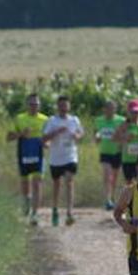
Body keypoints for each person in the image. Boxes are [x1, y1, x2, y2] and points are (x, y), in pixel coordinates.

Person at [42, 95, 84, 227]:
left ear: (69, 106)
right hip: (56, 158)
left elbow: (80, 134)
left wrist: (75, 136)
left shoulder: (74, 120)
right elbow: (44, 139)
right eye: (61, 106)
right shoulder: (52, 121)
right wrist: (56, 132)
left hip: (70, 156)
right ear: (57, 107)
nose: (63, 108)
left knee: (69, 180)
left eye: (66, 105)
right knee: (57, 185)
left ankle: (69, 212)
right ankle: (55, 210)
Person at [7, 94, 48, 225]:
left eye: (36, 104)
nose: (33, 107)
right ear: (27, 105)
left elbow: (50, 137)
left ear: (39, 106)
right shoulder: (20, 118)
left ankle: (35, 214)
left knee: (37, 182)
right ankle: (26, 204)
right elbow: (8, 137)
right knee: (25, 184)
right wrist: (21, 134)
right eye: (31, 104)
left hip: (39, 154)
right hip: (24, 152)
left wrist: (47, 143)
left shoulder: (45, 119)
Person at [92, 99, 125, 210]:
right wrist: (96, 137)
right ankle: (107, 200)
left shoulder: (121, 120)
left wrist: (121, 140)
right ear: (104, 109)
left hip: (117, 152)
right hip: (105, 151)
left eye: (112, 108)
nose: (110, 110)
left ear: (115, 109)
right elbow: (95, 134)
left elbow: (125, 135)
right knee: (107, 175)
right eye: (108, 108)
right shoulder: (99, 120)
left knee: (114, 177)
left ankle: (112, 197)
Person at [113, 99, 138, 188]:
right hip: (127, 159)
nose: (135, 115)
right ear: (129, 112)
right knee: (129, 183)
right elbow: (114, 138)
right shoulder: (124, 125)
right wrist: (125, 137)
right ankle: (130, 201)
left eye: (137, 112)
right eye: (133, 112)